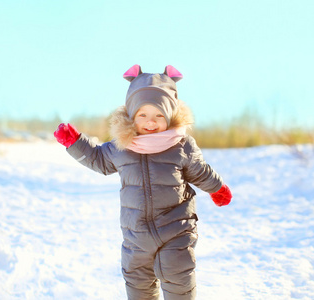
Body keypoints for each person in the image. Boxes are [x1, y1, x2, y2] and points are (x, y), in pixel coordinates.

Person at [54, 65, 232, 300]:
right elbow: (98, 159)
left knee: (178, 278)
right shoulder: (122, 147)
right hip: (136, 234)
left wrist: (218, 188)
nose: (151, 122)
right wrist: (75, 142)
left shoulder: (181, 145)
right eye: (143, 115)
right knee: (138, 283)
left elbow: (201, 172)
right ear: (132, 116)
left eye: (159, 115)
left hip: (175, 229)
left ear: (169, 116)